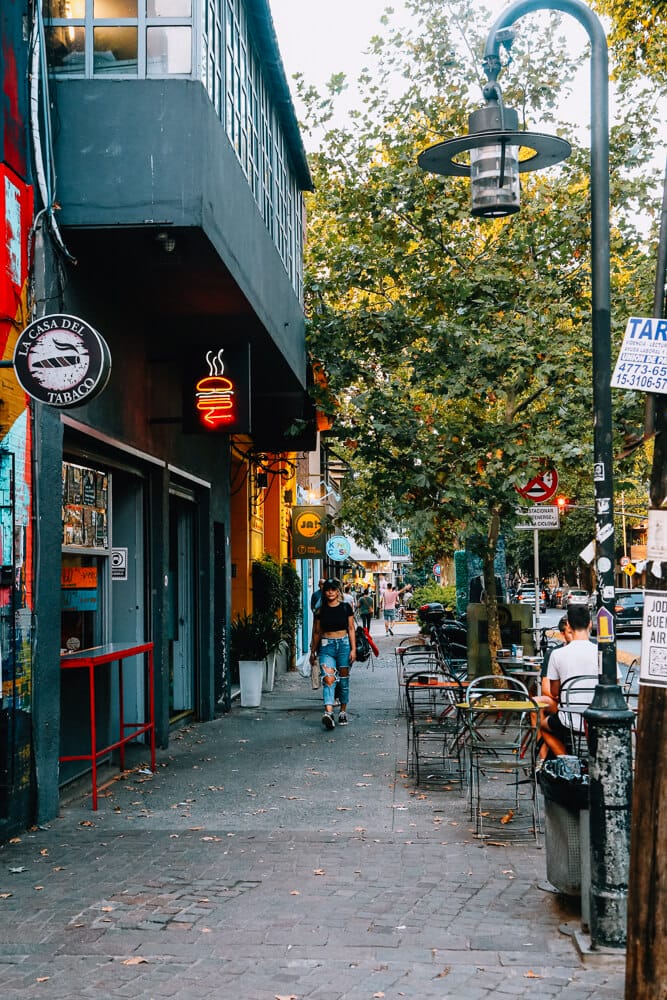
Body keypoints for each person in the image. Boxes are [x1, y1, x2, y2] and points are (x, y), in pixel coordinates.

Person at [539, 605, 598, 758]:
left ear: (569, 626)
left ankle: (568, 761)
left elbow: (554, 691)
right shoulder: (602, 653)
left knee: (543, 726)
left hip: (569, 719)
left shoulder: (557, 654)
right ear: (590, 624)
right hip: (597, 718)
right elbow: (615, 684)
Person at [309, 578, 356, 729]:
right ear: (324, 591)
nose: (330, 592)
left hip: (344, 645)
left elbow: (351, 629)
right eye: (327, 589)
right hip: (326, 646)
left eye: (333, 589)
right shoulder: (320, 610)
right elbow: (317, 631)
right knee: (328, 679)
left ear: (338, 591)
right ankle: (328, 712)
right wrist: (312, 652)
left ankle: (342, 711)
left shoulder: (346, 607)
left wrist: (353, 649)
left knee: (343, 680)